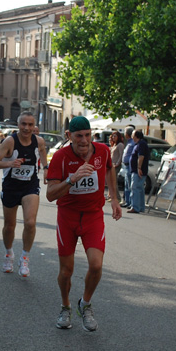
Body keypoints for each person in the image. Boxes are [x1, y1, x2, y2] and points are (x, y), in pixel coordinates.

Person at [46, 116, 122, 332]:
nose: (84, 140)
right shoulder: (61, 157)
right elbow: (50, 195)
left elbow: (109, 169)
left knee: (96, 265)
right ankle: (65, 306)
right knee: (66, 271)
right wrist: (72, 179)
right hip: (68, 216)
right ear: (69, 136)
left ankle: (85, 304)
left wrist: (114, 198)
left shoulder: (103, 151)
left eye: (88, 135)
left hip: (92, 215)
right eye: (79, 136)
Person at [0, 111, 48, 277]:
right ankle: (9, 254)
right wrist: (10, 163)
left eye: (30, 125)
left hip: (30, 186)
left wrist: (46, 168)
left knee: (30, 222)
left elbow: (42, 153)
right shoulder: (10, 141)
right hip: (11, 187)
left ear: (34, 126)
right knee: (9, 225)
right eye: (23, 124)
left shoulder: (39, 141)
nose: (27, 128)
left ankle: (25, 257)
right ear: (18, 125)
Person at [128, 130, 149, 214]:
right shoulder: (139, 144)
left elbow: (141, 156)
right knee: (139, 188)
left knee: (135, 188)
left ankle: (135, 207)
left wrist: (139, 168)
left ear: (136, 136)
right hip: (137, 170)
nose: (132, 137)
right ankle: (140, 207)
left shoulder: (141, 144)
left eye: (133, 135)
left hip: (138, 171)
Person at [121, 127, 135, 208]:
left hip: (129, 166)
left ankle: (131, 202)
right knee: (126, 185)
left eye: (125, 132)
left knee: (130, 185)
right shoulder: (129, 142)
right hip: (126, 166)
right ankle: (127, 201)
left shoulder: (132, 143)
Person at [110, 131, 124, 203]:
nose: (113, 137)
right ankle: (113, 197)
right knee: (111, 182)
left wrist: (118, 164)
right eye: (112, 136)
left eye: (115, 136)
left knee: (114, 182)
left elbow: (121, 155)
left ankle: (118, 197)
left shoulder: (120, 145)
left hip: (116, 165)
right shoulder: (114, 144)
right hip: (112, 165)